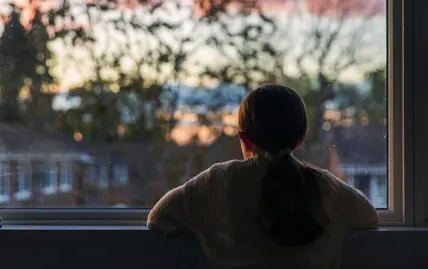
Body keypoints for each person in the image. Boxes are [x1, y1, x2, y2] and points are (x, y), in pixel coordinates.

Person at [148, 84, 379, 269]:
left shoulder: (218, 182)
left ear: (245, 139)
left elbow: (158, 217)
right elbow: (369, 218)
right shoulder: (328, 188)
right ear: (300, 140)